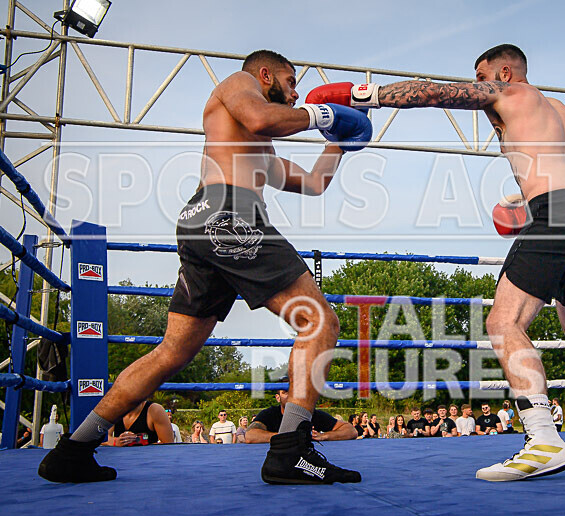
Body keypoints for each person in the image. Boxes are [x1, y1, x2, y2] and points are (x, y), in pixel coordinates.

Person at [305, 43, 565, 481]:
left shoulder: (507, 93)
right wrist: (522, 201)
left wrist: (363, 95)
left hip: (558, 212)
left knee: (502, 323)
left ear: (506, 72)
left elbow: (433, 94)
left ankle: (543, 440)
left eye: (483, 76)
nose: (479, 86)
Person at [38, 49, 371, 484]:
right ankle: (291, 450)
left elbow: (312, 182)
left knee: (171, 352)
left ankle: (73, 449)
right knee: (319, 321)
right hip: (228, 216)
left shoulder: (256, 146)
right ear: (265, 73)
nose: (295, 93)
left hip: (206, 223)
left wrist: (338, 141)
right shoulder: (239, 84)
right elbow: (261, 117)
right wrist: (324, 113)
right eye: (290, 82)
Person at [246, 386, 357, 443]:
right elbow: (250, 436)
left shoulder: (312, 413)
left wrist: (324, 436)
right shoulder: (269, 414)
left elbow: (351, 430)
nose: (291, 395)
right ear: (277, 397)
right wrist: (286, 438)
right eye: (285, 392)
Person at [104, 400, 173, 446]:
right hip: (121, 459)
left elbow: (168, 444)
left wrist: (139, 442)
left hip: (148, 460)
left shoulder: (155, 410)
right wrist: (117, 441)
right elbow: (102, 438)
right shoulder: (114, 409)